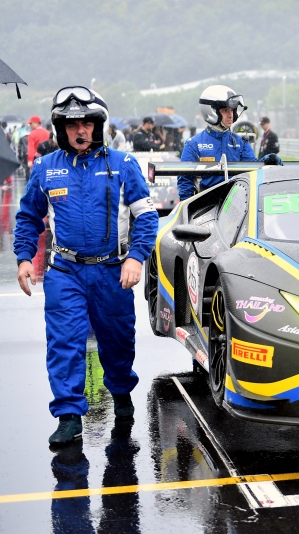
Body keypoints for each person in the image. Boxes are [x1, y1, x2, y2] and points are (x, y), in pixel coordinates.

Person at [14, 86, 158, 445]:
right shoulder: (46, 168)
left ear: (97, 125)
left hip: (113, 270)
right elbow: (28, 217)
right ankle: (68, 416)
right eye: (72, 125)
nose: (80, 131)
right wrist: (24, 258)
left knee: (118, 341)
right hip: (66, 272)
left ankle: (121, 391)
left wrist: (136, 257)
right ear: (61, 129)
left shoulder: (123, 164)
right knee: (64, 343)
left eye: (86, 124)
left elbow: (146, 216)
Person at [178, 85, 280, 201]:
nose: (230, 115)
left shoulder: (242, 142)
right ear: (210, 111)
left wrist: (265, 162)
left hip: (236, 205)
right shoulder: (194, 144)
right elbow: (185, 182)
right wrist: (188, 208)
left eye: (232, 110)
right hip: (206, 206)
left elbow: (253, 171)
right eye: (225, 110)